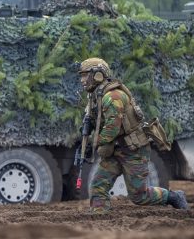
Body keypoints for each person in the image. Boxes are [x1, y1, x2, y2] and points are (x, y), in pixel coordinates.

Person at [79, 57, 188, 214]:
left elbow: (112, 128)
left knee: (139, 196)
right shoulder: (97, 95)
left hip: (134, 150)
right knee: (99, 184)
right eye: (81, 76)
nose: (82, 80)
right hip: (116, 149)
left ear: (98, 75)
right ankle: (98, 216)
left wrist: (94, 143)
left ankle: (173, 197)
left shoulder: (113, 96)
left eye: (85, 75)